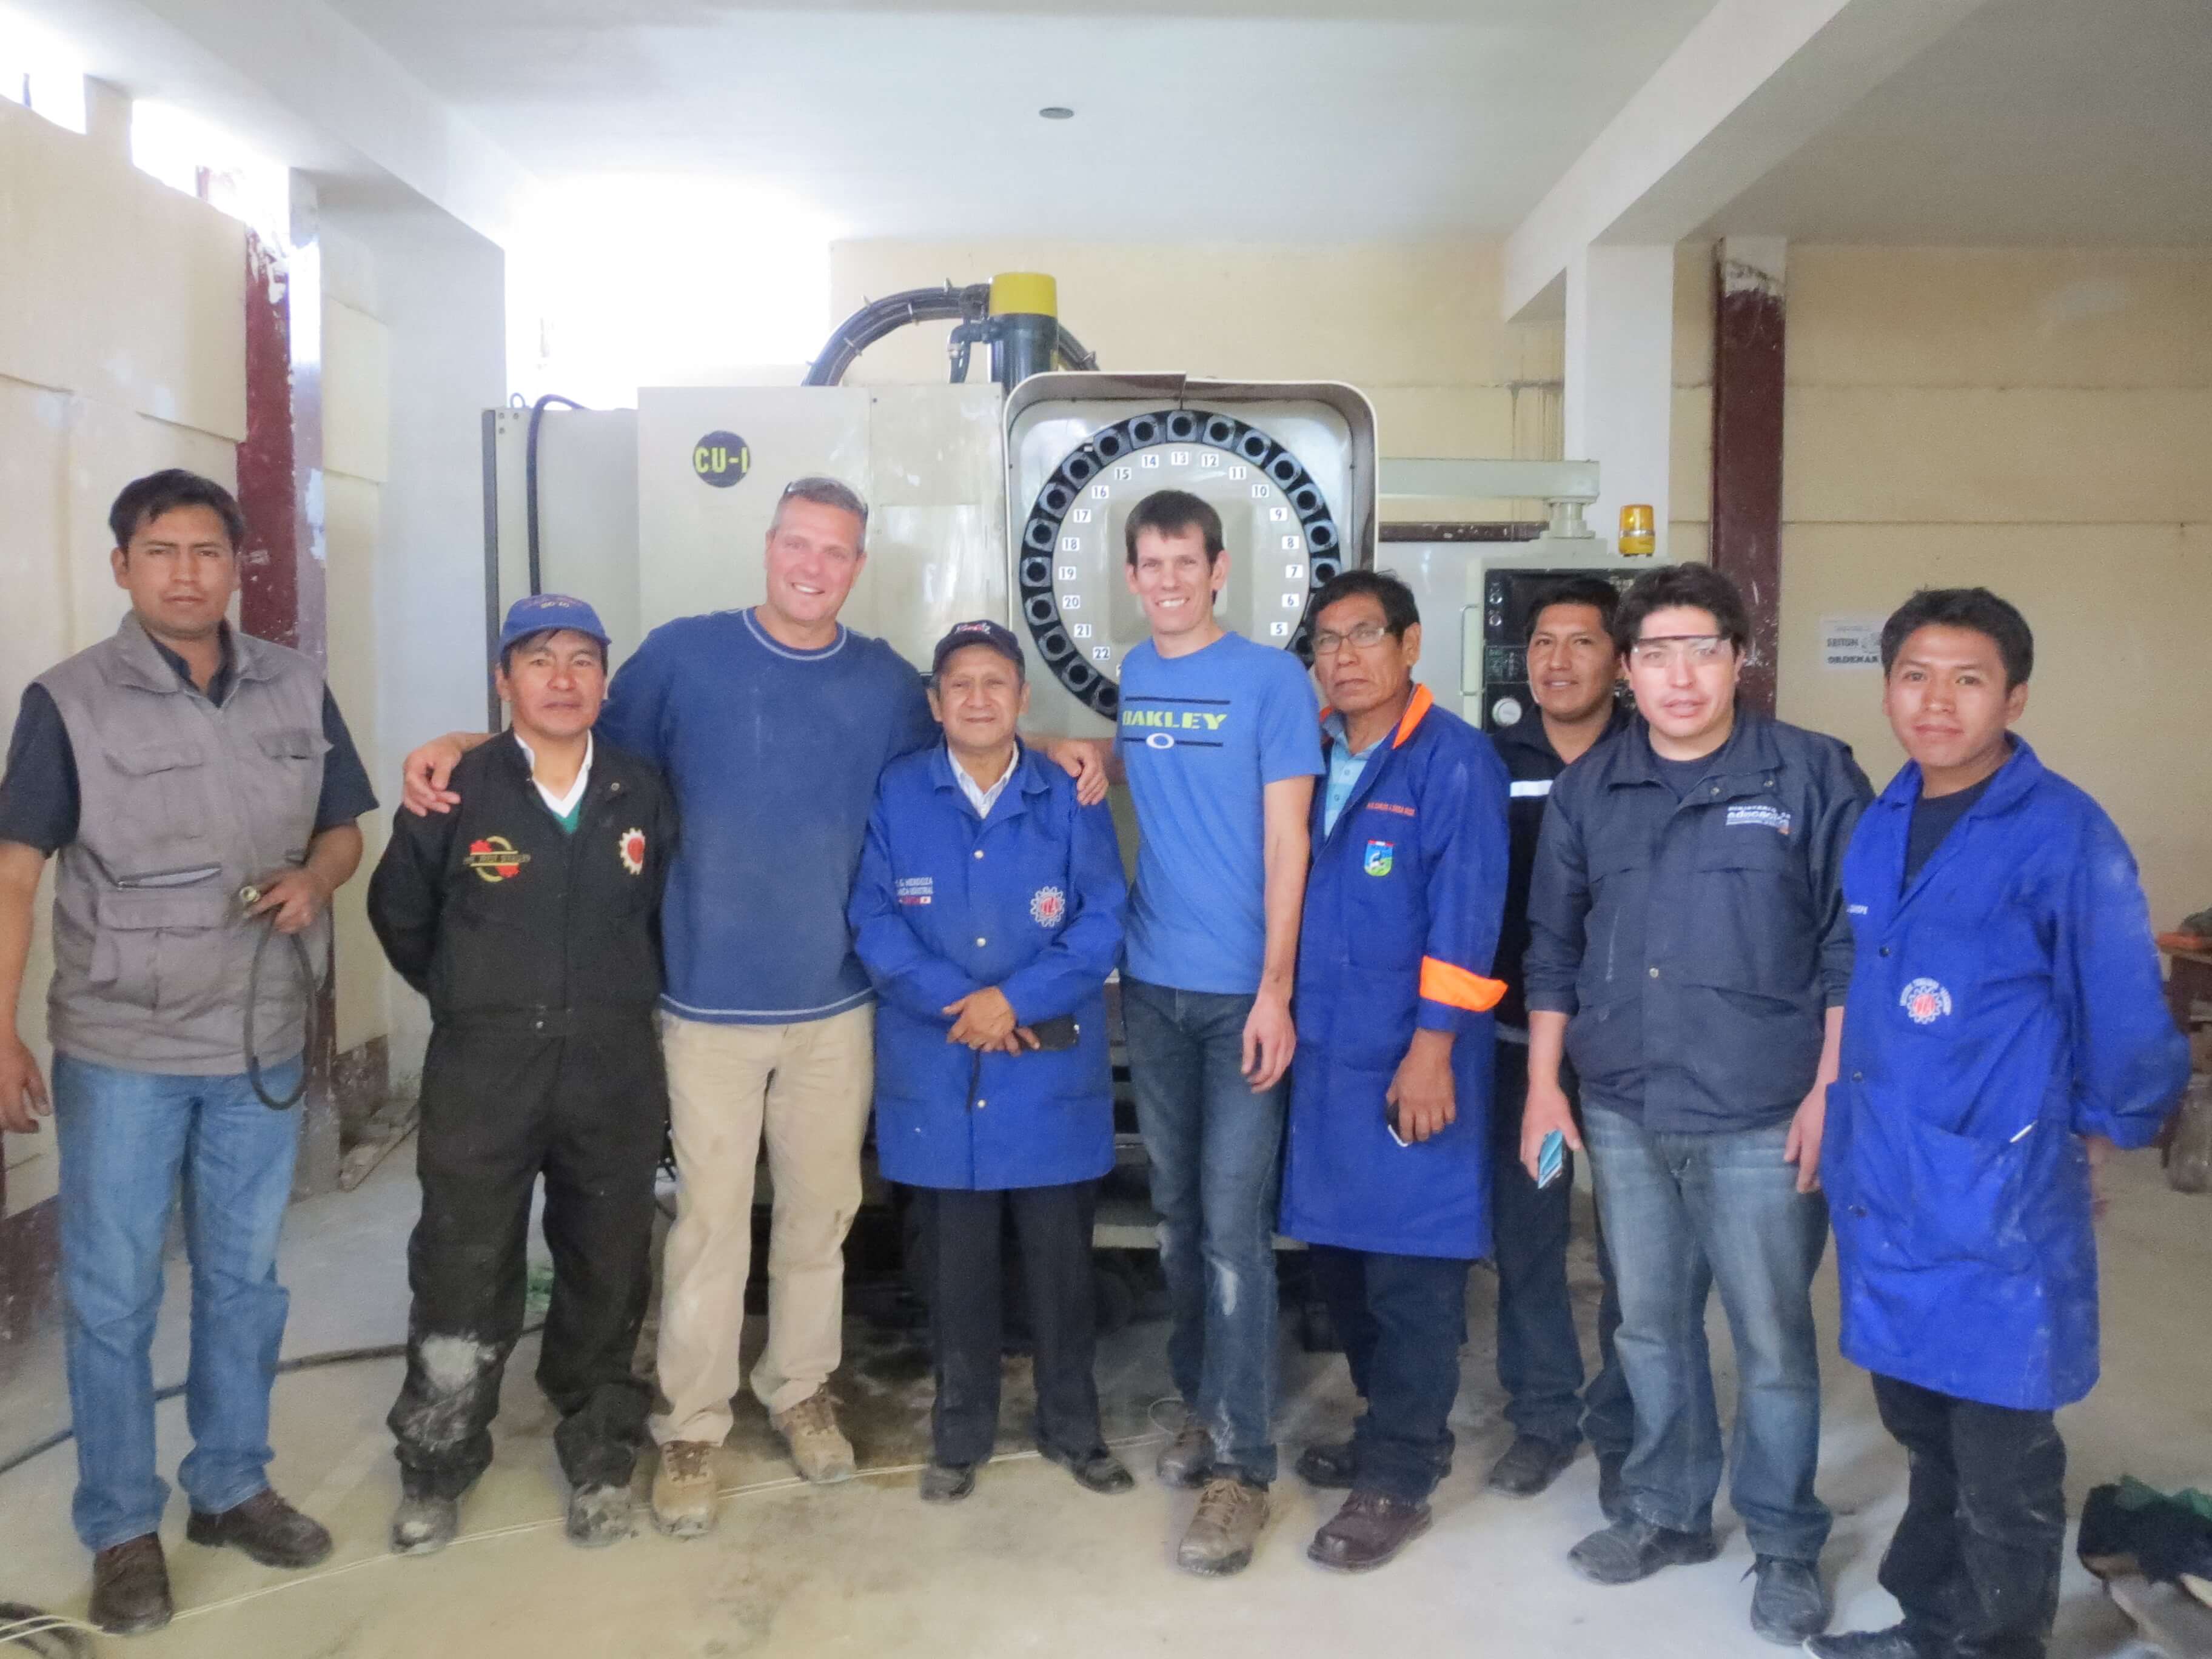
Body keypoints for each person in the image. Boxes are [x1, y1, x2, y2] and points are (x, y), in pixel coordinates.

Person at [398, 478, 1099, 1536]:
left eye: (837, 552)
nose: (814, 567)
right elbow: (564, 729)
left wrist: (1064, 751)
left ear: (857, 567)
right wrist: (458, 739)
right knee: (711, 1229)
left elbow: (977, 728)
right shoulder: (683, 658)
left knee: (820, 1219)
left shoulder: (882, 684)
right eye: (799, 545)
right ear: (769, 548)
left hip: (837, 1006)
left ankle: (802, 1391)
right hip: (705, 1010)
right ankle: (690, 1426)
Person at [0, 471, 377, 1635]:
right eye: (159, 551)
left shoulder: (295, 686)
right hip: (123, 1046)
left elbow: (344, 824)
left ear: (236, 564)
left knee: (244, 1282)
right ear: (123, 566)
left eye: (206, 551)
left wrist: (317, 880)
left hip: (255, 1035)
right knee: (112, 1296)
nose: (184, 572)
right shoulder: (69, 702)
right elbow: (17, 872)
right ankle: (121, 1525)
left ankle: (229, 1484)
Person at [1808, 590, 2189, 1659]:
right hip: (1892, 1172)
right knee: (1924, 1428)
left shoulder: (2064, 830)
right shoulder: (1883, 818)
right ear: (1888, 689)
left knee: (2002, 1455)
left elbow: (2124, 1005)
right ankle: (1934, 1627)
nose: (1937, 702)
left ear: (2013, 696)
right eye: (1915, 677)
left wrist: (2102, 1129)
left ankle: (1995, 1646)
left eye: (1967, 679)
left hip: (1998, 1184)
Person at [1521, 561, 1872, 1646]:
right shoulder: (1590, 792)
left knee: (1772, 1342)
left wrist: (1829, 1091)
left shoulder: (1812, 777)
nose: (1681, 675)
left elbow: (1850, 947)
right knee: (1650, 1329)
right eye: (1658, 654)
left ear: (1739, 658)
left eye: (1703, 649)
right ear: (1628, 671)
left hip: (1765, 1110)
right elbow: (1555, 949)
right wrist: (1543, 1086)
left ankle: (1782, 1543)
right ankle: (1669, 1511)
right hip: (1625, 1104)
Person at [367, 596, 677, 1555]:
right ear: (504, 680)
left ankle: (597, 1452)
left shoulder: (641, 790)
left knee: (608, 1263)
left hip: (612, 1066)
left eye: (583, 660)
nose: (562, 678)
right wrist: (476, 998)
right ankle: (438, 1463)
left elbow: (661, 913)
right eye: (539, 660)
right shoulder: (456, 788)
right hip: (484, 1068)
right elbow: (401, 917)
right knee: (463, 1265)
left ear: (605, 682)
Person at [848, 620, 1131, 1505]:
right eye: (960, 684)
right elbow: (874, 919)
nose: (978, 698)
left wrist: (1017, 1000)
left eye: (995, 683)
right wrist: (961, 1004)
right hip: (938, 1071)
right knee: (954, 1271)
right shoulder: (897, 793)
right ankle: (959, 1436)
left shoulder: (1068, 795)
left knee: (1060, 1269)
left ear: (1022, 700)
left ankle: (1074, 1430)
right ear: (935, 704)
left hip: (1047, 1073)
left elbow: (1102, 918)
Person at [1099, 488, 1322, 1577]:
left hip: (1242, 998)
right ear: (1134, 578)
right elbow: (1146, 772)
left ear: (1218, 570)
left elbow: (1291, 844)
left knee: (1236, 1232)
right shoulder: (1138, 677)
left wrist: (1277, 988)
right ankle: (1203, 1400)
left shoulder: (1273, 681)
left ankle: (1244, 1465)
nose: (1170, 580)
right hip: (1153, 987)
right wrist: (1084, 755)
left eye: (1187, 561)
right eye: (1151, 564)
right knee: (1181, 1221)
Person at [1277, 571, 1510, 1572]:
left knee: (1412, 1279)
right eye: (1327, 640)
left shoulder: (1452, 763)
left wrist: (1432, 1050)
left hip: (1415, 1061)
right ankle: (1388, 1432)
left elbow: (1467, 917)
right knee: (1342, 1266)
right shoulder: (1312, 751)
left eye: (1364, 635)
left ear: (1410, 646)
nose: (1344, 656)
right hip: (1327, 1063)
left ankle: (1403, 1475)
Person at [1481, 577, 1634, 1510]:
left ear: (1618, 658)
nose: (1559, 660)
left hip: (1624, 1046)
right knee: (1529, 1235)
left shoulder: (1653, 755)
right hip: (1514, 1043)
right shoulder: (1488, 762)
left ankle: (1625, 1424)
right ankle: (1542, 1418)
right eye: (1543, 642)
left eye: (1581, 642)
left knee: (1634, 1246)